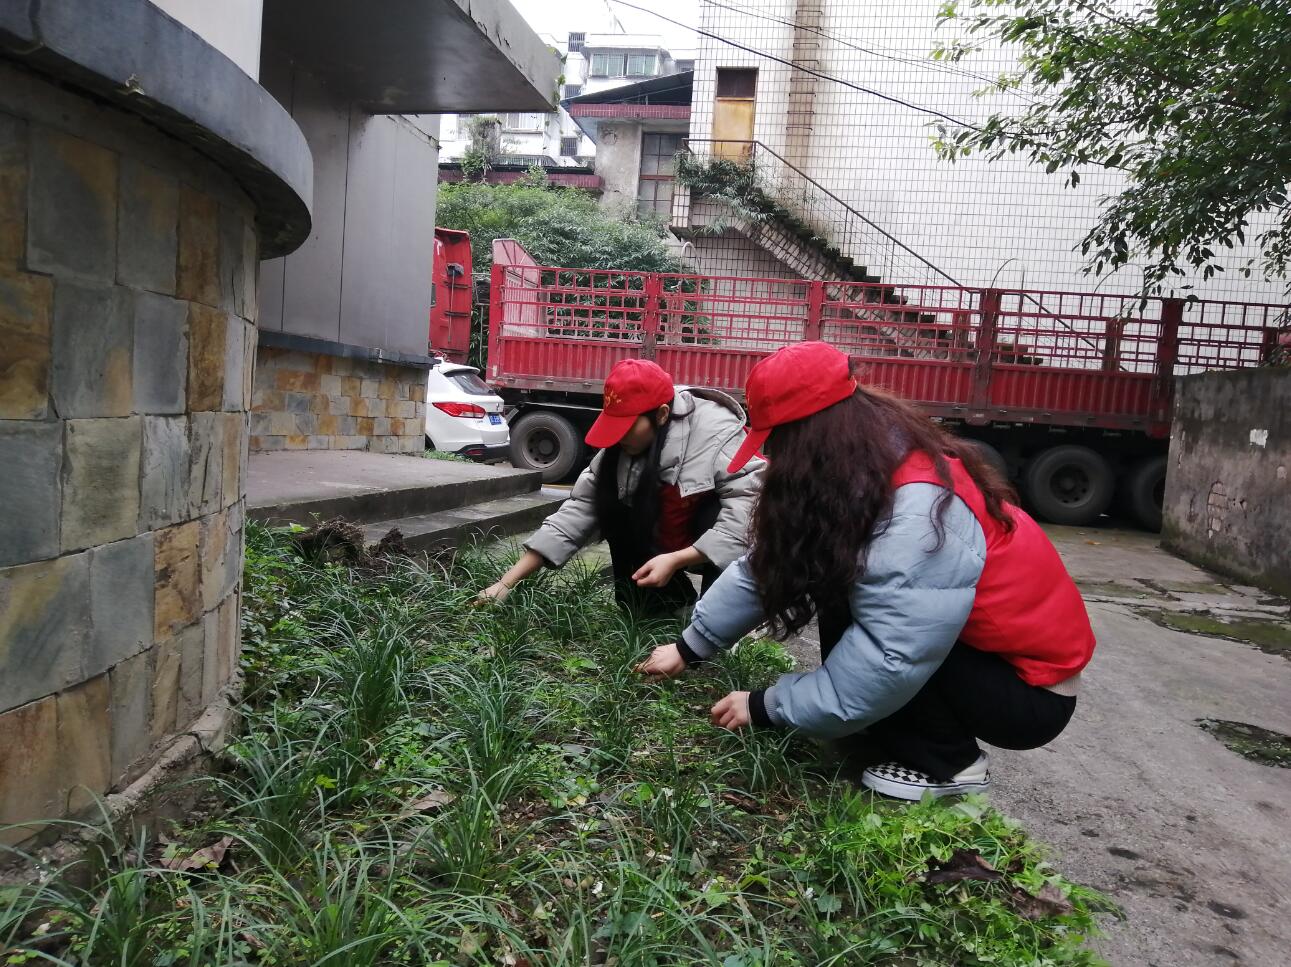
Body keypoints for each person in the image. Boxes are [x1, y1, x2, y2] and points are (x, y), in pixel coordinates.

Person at [637, 342, 1096, 800]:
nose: (774, 458)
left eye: (777, 442)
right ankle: (893, 732)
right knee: (835, 576)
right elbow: (771, 565)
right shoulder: (867, 467)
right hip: (977, 656)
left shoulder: (917, 511)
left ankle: (950, 764)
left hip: (1028, 692)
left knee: (867, 608)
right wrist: (689, 647)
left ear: (811, 437)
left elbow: (894, 652)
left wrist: (767, 706)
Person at [478, 359, 765, 617]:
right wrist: (505, 583)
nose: (619, 437)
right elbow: (579, 510)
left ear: (662, 415)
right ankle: (665, 608)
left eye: (627, 427)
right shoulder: (624, 448)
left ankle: (716, 621)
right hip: (668, 537)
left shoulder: (716, 432)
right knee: (614, 508)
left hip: (712, 543)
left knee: (715, 513)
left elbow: (748, 514)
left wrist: (677, 559)